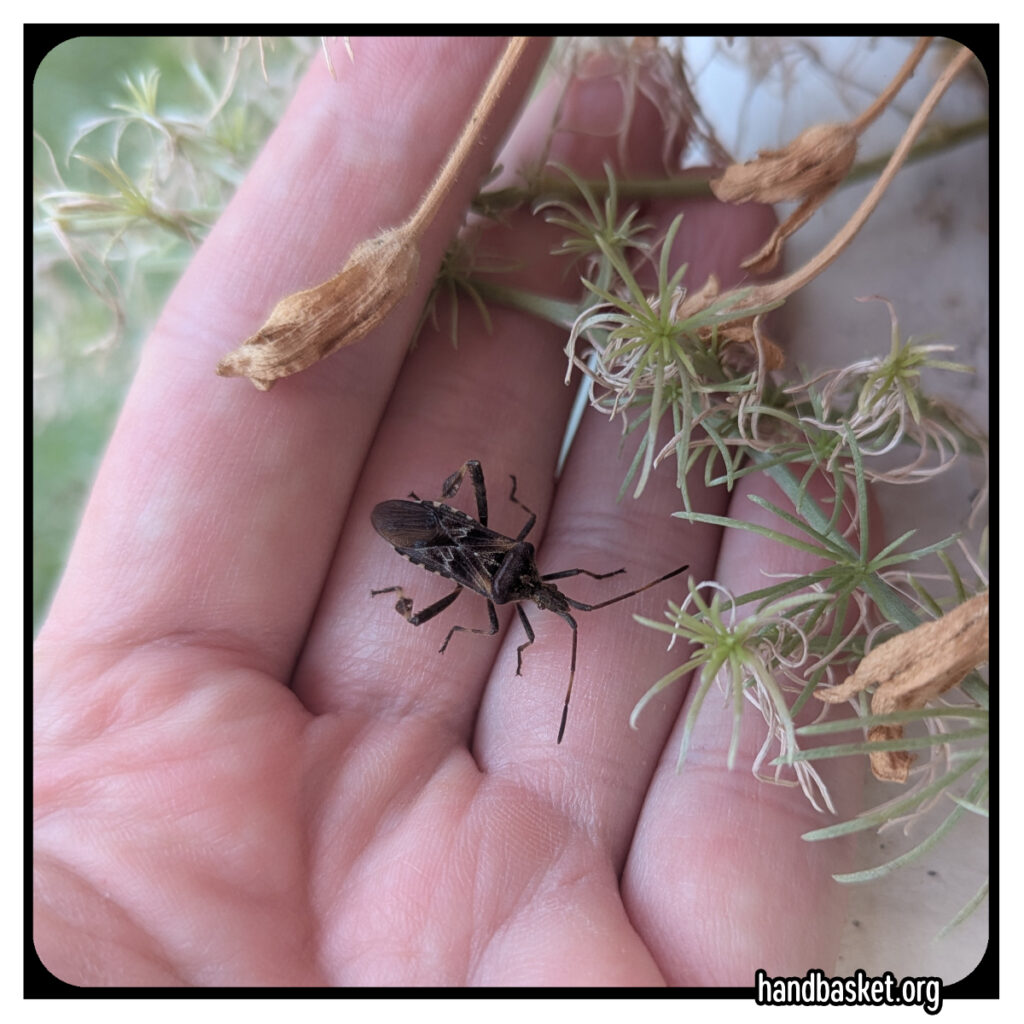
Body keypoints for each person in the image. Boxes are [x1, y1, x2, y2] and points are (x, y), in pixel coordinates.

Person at [33, 38, 860, 987]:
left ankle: (425, 582)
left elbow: (546, 580)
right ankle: (414, 589)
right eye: (540, 597)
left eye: (540, 598)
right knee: (495, 566)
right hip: (445, 541)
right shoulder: (509, 579)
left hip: (450, 541)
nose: (545, 600)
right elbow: (524, 590)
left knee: (518, 553)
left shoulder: (516, 573)